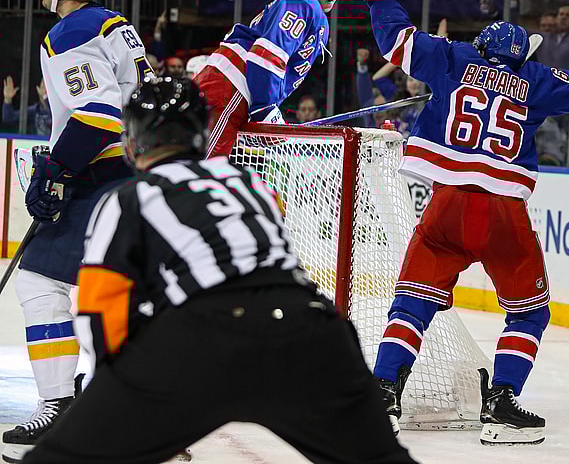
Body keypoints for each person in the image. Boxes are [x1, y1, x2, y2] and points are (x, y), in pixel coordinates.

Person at [21, 77, 417, 464]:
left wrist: (121, 398)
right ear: (200, 133)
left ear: (133, 141)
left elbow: (100, 317)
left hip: (203, 338)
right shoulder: (251, 184)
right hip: (314, 332)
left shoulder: (127, 199)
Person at [354, 0, 569, 445]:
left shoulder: (452, 58)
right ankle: (502, 402)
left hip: (446, 204)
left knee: (413, 301)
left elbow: (396, 38)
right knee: (530, 311)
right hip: (502, 212)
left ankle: (385, 390)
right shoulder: (535, 79)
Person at [2, 0, 149, 464]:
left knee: (42, 280)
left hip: (104, 175)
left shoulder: (70, 32)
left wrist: (56, 172)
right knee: (113, 292)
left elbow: (97, 116)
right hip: (136, 174)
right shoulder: (113, 25)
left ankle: (63, 403)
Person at [197, 0, 349, 158]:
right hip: (233, 86)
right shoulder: (305, 3)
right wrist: (264, 107)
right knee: (200, 168)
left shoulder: (313, 12)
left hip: (236, 88)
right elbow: (266, 54)